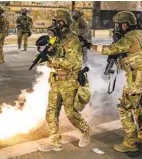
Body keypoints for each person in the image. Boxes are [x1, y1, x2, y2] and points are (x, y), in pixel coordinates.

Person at [92, 11, 142, 152]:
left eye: (117, 25)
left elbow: (109, 50)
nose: (116, 28)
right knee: (139, 107)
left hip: (137, 78)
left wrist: (88, 45)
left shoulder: (128, 38)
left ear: (124, 25)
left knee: (125, 108)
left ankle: (130, 142)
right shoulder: (140, 34)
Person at [38, 9, 91, 152]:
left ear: (63, 22)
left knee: (71, 113)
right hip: (56, 80)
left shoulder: (73, 40)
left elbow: (75, 63)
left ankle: (86, 130)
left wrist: (52, 60)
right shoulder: (57, 39)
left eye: (56, 22)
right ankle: (54, 139)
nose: (53, 24)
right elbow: (52, 57)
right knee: (51, 111)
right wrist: (45, 51)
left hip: (70, 81)